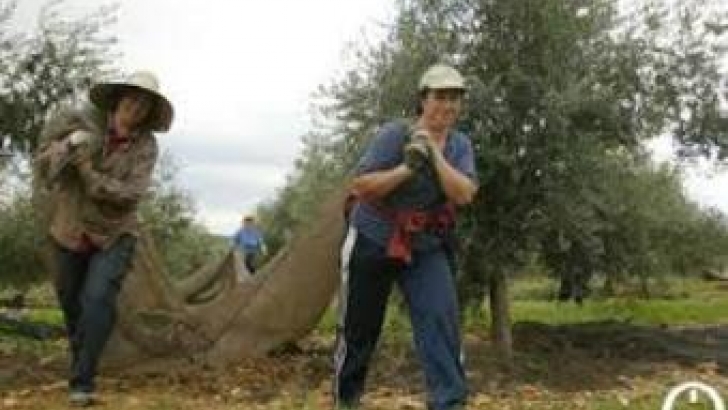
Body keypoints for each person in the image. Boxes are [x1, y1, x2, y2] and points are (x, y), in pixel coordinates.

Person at [333, 64, 478, 410]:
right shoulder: (394, 135)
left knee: (440, 321)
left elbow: (464, 194)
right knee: (359, 329)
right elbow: (362, 186)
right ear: (423, 99)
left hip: (425, 245)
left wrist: (434, 155)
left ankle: (448, 403)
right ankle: (346, 401)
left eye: (455, 98)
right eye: (440, 96)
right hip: (372, 238)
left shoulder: (459, 145)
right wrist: (407, 168)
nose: (448, 105)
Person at [34, 70, 173, 406]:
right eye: (132, 98)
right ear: (118, 98)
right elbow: (44, 167)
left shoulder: (146, 146)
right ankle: (82, 358)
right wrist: (69, 145)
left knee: (97, 299)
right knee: (71, 301)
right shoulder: (80, 124)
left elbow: (130, 194)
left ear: (149, 112)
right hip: (69, 228)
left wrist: (88, 173)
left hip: (115, 233)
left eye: (144, 104)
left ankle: (82, 382)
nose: (136, 107)